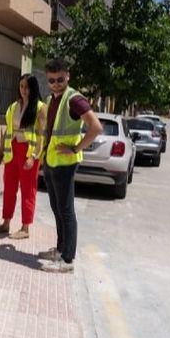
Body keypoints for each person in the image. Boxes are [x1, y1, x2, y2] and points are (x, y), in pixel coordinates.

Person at [38, 59, 103, 273]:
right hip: (52, 161)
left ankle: (67, 259)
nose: (56, 83)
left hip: (65, 164)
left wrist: (76, 149)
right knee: (57, 208)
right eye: (51, 80)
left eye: (60, 79)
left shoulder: (74, 99)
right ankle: (60, 248)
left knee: (66, 210)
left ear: (68, 76)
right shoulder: (52, 98)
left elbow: (95, 127)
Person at [0, 74, 47, 239]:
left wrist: (34, 156)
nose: (24, 90)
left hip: (28, 152)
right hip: (12, 151)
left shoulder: (40, 107)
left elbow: (41, 136)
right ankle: (6, 223)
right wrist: (1, 153)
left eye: (27, 86)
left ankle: (25, 228)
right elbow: (7, 131)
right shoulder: (13, 106)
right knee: (9, 187)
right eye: (21, 86)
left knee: (28, 190)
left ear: (33, 88)